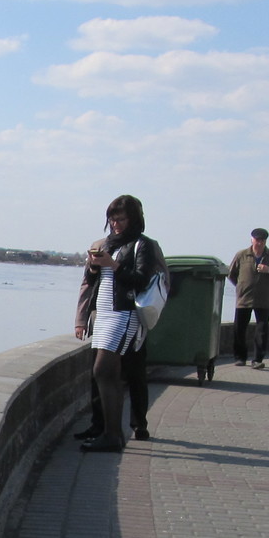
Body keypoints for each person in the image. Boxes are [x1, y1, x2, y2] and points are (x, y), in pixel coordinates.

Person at [73, 194, 167, 453]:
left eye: (121, 219)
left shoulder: (142, 245)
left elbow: (140, 280)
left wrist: (113, 264)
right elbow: (92, 283)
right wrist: (95, 267)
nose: (115, 225)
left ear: (133, 219)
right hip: (103, 314)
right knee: (108, 374)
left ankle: (114, 434)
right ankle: (109, 433)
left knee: (104, 371)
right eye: (112, 220)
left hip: (124, 314)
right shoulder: (107, 244)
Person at [228, 229, 269, 369]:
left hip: (264, 299)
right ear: (251, 240)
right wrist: (241, 287)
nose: (259, 243)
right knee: (239, 329)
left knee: (261, 330)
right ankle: (240, 358)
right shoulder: (242, 255)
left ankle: (257, 360)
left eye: (262, 241)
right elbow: (231, 274)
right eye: (257, 240)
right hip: (244, 298)